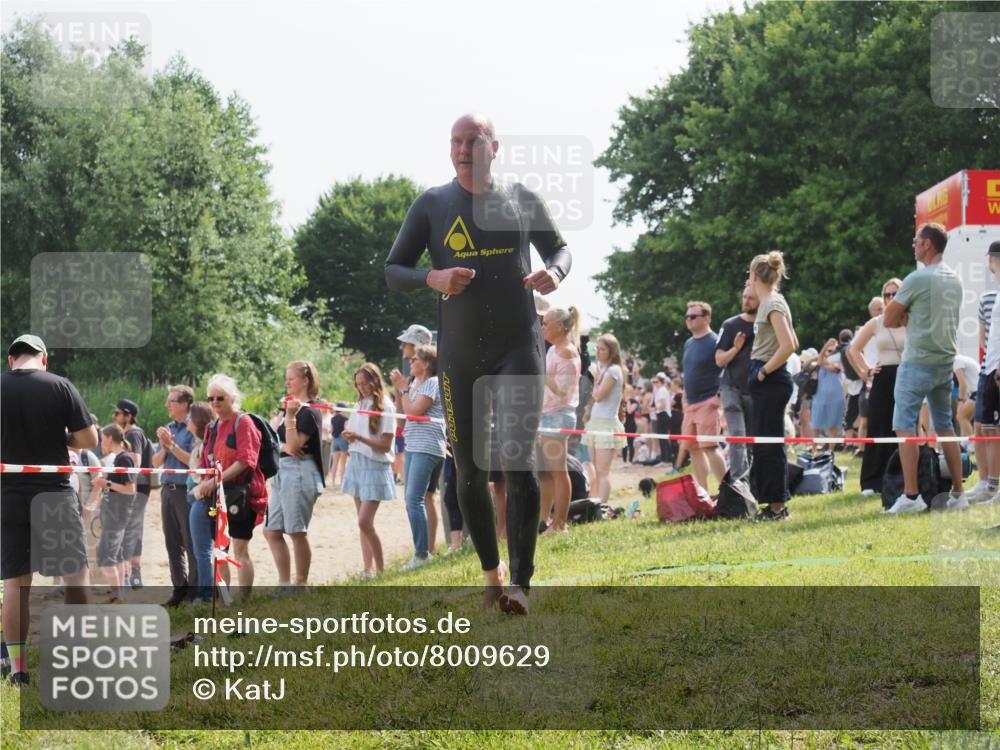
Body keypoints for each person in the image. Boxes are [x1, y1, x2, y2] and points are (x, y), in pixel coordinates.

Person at [385, 112, 572, 614]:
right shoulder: (432, 203)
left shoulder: (521, 198)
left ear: (495, 146)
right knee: (468, 468)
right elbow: (393, 270)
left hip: (518, 348)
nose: (464, 150)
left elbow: (559, 249)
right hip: (460, 355)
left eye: (474, 140)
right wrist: (432, 278)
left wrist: (554, 273)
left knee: (517, 460)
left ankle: (522, 584)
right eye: (456, 141)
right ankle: (492, 575)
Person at [1, 335, 97, 687]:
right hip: (53, 493)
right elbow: (89, 440)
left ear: (11, 360)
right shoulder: (60, 385)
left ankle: (18, 669)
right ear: (43, 359)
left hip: (8, 495)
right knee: (75, 576)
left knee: (15, 583)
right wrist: (63, 438)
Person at [883, 223, 968, 513]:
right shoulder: (955, 279)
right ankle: (958, 493)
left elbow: (888, 319)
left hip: (917, 362)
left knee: (904, 426)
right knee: (945, 426)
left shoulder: (918, 278)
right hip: (945, 362)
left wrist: (906, 313)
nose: (913, 244)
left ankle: (911, 496)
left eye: (916, 240)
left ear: (928, 244)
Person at [193, 375, 268, 596]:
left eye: (220, 398)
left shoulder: (243, 422)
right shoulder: (211, 427)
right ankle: (225, 600)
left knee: (240, 549)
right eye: (211, 398)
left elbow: (246, 461)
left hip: (242, 494)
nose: (215, 402)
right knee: (220, 551)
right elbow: (206, 462)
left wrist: (215, 480)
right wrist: (203, 482)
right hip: (217, 497)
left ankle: (244, 601)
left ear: (232, 398)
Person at [747, 253, 799, 521]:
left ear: (755, 275)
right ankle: (772, 504)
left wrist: (764, 372)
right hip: (768, 378)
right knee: (765, 445)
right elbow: (794, 341)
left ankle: (777, 507)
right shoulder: (771, 302)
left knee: (770, 446)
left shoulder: (772, 303)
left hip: (771, 378)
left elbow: (789, 345)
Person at [265, 361, 326, 589]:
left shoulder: (310, 411)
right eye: (286, 378)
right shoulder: (288, 409)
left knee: (296, 531)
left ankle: (300, 583)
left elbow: (293, 446)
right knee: (271, 531)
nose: (287, 382)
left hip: (300, 472)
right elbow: (271, 440)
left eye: (291, 378)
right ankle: (283, 582)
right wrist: (286, 418)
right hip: (282, 471)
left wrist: (290, 417)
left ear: (305, 380)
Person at [390, 345, 447, 569]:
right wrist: (399, 392)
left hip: (427, 446)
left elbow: (414, 412)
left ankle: (422, 555)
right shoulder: (415, 385)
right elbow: (402, 419)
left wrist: (404, 390)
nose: (410, 361)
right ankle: (421, 553)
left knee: (414, 499)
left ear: (427, 364)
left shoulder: (432, 383)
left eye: (415, 359)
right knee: (412, 499)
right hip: (413, 445)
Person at [849, 278, 907, 496]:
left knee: (904, 427)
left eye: (895, 293)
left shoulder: (912, 319)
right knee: (878, 427)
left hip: (907, 376)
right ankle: (871, 481)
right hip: (883, 378)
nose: (891, 298)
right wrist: (866, 371)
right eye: (887, 294)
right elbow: (853, 349)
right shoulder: (876, 322)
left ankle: (902, 477)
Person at [342, 364, 397, 577]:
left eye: (365, 383)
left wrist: (359, 438)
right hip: (356, 462)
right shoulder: (359, 404)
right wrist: (350, 436)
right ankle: (368, 569)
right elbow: (356, 434)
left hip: (374, 466)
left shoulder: (387, 407)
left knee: (364, 521)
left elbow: (385, 445)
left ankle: (382, 571)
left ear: (375, 381)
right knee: (362, 523)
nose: (361, 387)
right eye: (358, 384)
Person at [152, 386, 197, 606]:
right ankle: (179, 588)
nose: (167, 405)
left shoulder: (194, 427)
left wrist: (171, 445)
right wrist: (164, 447)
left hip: (185, 491)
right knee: (172, 542)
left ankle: (194, 591)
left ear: (185, 404)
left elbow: (193, 461)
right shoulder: (168, 428)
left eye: (171, 401)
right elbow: (155, 462)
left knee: (190, 541)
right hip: (167, 490)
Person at [538, 306, 582, 533]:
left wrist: (542, 374)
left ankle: (560, 524)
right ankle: (545, 520)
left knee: (558, 471)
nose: (542, 327)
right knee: (546, 472)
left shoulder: (567, 352)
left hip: (558, 415)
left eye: (546, 323)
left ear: (560, 326)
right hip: (548, 414)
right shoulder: (554, 350)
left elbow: (563, 391)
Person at [680, 301, 727, 491]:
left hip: (708, 401)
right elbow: (688, 372)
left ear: (707, 318)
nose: (689, 320)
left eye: (693, 316)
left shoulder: (715, 341)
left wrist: (718, 398)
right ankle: (703, 494)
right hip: (690, 404)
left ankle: (728, 492)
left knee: (709, 446)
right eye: (687, 317)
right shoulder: (689, 343)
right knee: (693, 448)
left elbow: (727, 370)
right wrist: (684, 397)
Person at [968, 244, 1000, 504]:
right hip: (988, 368)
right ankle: (988, 484)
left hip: (995, 367)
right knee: (985, 427)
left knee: (994, 430)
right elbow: (985, 338)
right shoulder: (992, 296)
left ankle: (993, 484)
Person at [716, 285, 758, 481]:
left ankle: (749, 482)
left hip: (755, 389)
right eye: (744, 297)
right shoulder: (730, 325)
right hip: (731, 387)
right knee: (738, 436)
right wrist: (735, 349)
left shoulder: (767, 325)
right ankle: (737, 483)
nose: (746, 301)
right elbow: (719, 360)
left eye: (751, 298)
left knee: (750, 440)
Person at [91, 424, 137, 603]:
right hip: (114, 511)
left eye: (103, 438)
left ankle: (118, 595)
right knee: (116, 555)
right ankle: (119, 595)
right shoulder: (119, 458)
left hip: (117, 513)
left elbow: (130, 489)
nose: (101, 442)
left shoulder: (124, 458)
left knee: (105, 556)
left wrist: (106, 484)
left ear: (110, 438)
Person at [582, 334, 627, 501]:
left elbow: (598, 396)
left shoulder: (614, 370)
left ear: (611, 351)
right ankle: (595, 503)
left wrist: (595, 381)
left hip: (607, 424)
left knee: (602, 471)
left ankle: (602, 506)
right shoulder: (604, 369)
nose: (598, 352)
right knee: (594, 469)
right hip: (596, 423)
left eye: (602, 349)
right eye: (597, 348)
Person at [113, 399, 152, 591]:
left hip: (135, 487)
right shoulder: (134, 433)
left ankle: (131, 575)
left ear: (128, 416)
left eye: (117, 413)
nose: (114, 417)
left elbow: (135, 461)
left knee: (130, 530)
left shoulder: (133, 434)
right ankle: (133, 575)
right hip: (137, 487)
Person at [185, 402, 215, 602]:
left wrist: (195, 493)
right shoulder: (199, 444)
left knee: (202, 551)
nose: (188, 420)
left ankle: (206, 595)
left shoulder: (205, 445)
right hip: (196, 498)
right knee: (202, 551)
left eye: (191, 416)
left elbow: (204, 478)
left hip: (202, 500)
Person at [812, 338, 846, 439]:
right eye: (829, 351)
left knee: (833, 426)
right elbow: (820, 360)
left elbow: (830, 366)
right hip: (820, 398)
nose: (831, 353)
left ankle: (831, 447)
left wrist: (827, 353)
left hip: (835, 398)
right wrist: (826, 345)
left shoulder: (839, 362)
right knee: (816, 425)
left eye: (834, 351)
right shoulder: (822, 362)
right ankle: (814, 447)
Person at [653, 373, 672, 465]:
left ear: (661, 382)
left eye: (656, 382)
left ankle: (665, 459)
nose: (655, 384)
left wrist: (654, 409)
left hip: (662, 414)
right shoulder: (662, 390)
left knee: (662, 437)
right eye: (654, 382)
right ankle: (666, 458)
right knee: (663, 436)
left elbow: (662, 405)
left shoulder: (661, 390)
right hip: (663, 414)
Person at [330, 403, 349, 489]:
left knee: (335, 462)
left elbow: (331, 430)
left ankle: (333, 482)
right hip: (342, 439)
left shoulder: (333, 418)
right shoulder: (345, 419)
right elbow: (346, 430)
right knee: (343, 463)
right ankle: (342, 482)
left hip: (335, 440)